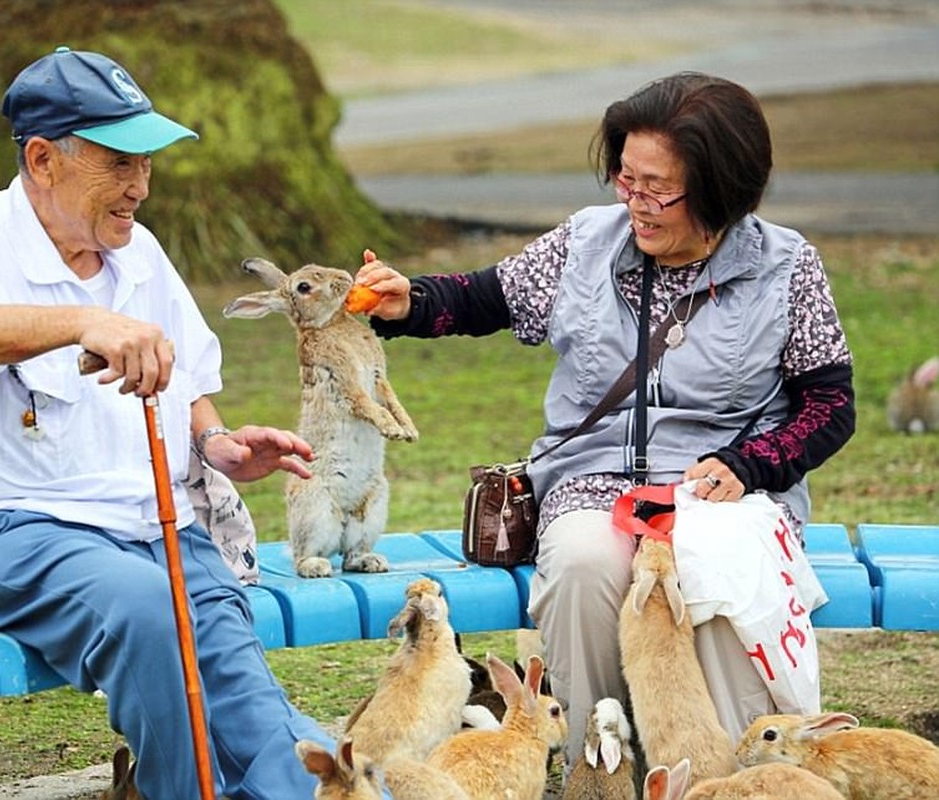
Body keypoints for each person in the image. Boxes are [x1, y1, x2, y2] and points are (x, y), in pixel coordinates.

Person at [356, 72, 856, 759]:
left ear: (721, 191)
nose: (636, 205)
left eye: (658, 188)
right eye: (625, 180)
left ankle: (727, 774)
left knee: (709, 582)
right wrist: (406, 302)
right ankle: (604, 764)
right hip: (592, 480)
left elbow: (828, 402)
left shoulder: (786, 266)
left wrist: (750, 464)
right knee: (585, 564)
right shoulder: (587, 242)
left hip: (722, 493)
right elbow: (483, 297)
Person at [0, 47, 347, 799]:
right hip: (22, 533)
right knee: (152, 615)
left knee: (262, 723)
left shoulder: (139, 253)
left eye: (147, 164)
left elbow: (189, 388)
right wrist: (85, 321)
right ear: (44, 158)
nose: (140, 187)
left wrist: (219, 445)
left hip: (166, 532)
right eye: (120, 162)